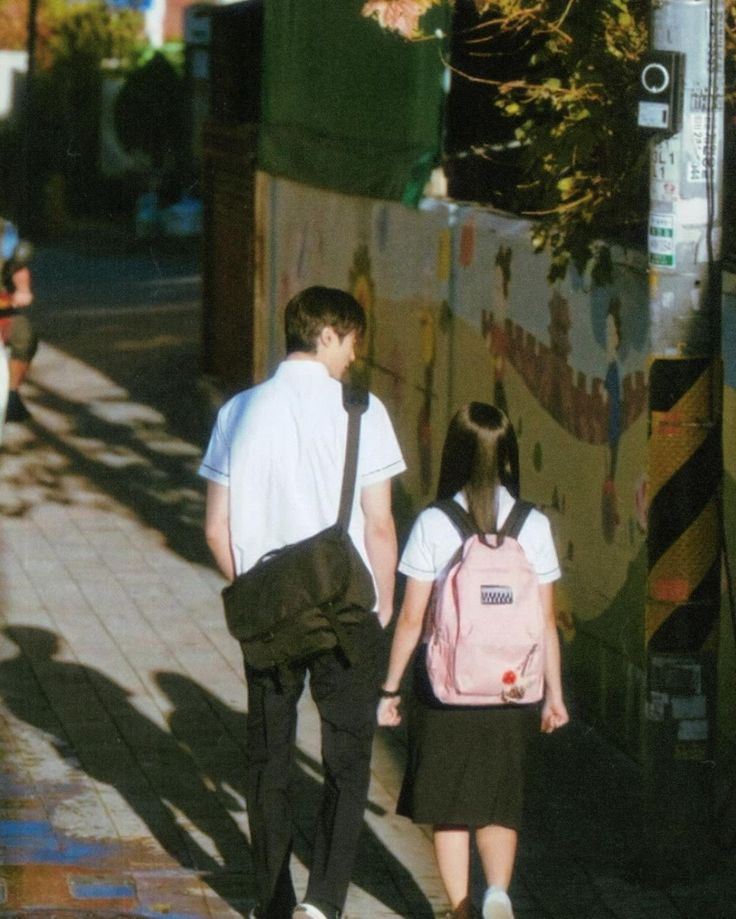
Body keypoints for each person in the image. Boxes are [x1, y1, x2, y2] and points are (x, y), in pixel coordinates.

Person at [199, 286, 406, 919]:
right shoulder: (362, 413)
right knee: (346, 760)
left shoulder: (237, 411)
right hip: (346, 606)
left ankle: (273, 902)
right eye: (351, 342)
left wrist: (255, 587)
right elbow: (379, 524)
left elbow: (214, 527)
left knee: (268, 757)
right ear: (328, 335)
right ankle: (324, 901)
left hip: (267, 605)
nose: (354, 356)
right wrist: (386, 604)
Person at [377, 402, 569, 919]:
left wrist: (390, 688)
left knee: (451, 807)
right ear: (508, 457)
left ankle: (460, 908)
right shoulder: (533, 524)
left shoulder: (435, 522)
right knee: (499, 800)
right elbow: (547, 621)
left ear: (454, 455)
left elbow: (413, 619)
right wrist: (555, 695)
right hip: (514, 688)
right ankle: (499, 894)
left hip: (448, 689)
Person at [0, 239, 38, 422]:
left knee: (24, 334)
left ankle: (12, 394)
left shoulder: (4, 234)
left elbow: (17, 266)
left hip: (3, 309)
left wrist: (23, 290)